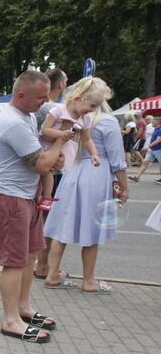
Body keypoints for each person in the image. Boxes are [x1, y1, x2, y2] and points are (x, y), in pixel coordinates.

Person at [0, 70, 66, 344]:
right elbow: (42, 164)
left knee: (31, 253)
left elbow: (41, 159)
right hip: (10, 199)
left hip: (26, 196)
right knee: (14, 261)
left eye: (47, 97)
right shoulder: (13, 122)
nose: (44, 102)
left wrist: (50, 158)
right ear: (21, 95)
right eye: (40, 97)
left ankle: (23, 307)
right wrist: (60, 140)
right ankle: (10, 319)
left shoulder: (28, 116)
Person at [44, 104, 128, 294]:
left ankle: (52, 274)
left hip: (72, 171)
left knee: (63, 225)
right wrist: (124, 186)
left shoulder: (76, 118)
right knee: (92, 227)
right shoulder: (107, 121)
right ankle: (88, 280)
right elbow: (117, 159)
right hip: (96, 173)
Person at [38, 77, 105, 211]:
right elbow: (44, 130)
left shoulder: (85, 119)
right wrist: (61, 134)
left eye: (96, 107)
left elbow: (87, 139)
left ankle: (46, 197)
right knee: (42, 173)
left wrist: (94, 154)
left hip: (61, 149)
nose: (93, 110)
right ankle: (39, 197)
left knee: (50, 173)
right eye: (92, 105)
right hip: (45, 145)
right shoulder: (58, 110)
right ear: (78, 98)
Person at [33, 68, 68, 280]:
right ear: (61, 85)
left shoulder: (40, 108)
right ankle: (42, 265)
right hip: (51, 168)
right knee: (48, 218)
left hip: (40, 166)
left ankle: (39, 263)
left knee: (41, 215)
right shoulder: (56, 109)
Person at [128, 117, 161, 183]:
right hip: (152, 149)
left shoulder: (160, 130)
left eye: (153, 121)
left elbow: (158, 140)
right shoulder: (156, 129)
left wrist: (148, 146)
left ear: (158, 122)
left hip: (158, 149)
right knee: (145, 162)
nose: (152, 122)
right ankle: (137, 177)